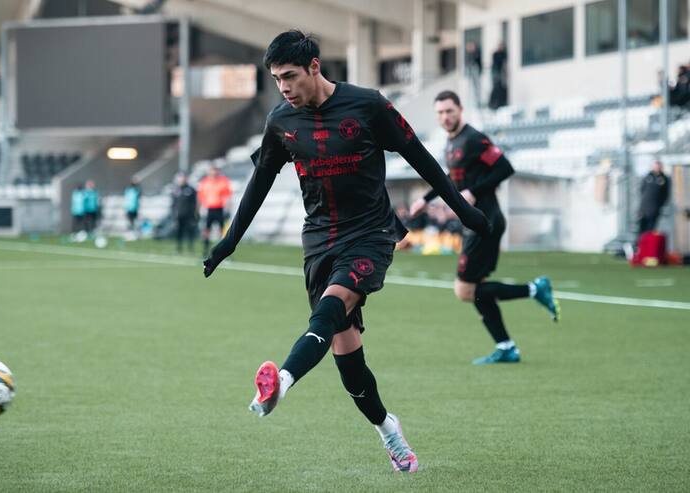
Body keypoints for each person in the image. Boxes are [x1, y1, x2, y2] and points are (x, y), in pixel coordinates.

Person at [202, 31, 491, 473]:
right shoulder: (282, 122)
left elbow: (421, 158)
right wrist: (229, 240)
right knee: (349, 364)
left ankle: (280, 380)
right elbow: (260, 181)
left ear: (315, 67)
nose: (283, 87)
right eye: (277, 79)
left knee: (329, 310)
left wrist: (463, 213)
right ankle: (387, 428)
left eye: (290, 76)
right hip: (319, 240)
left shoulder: (369, 105)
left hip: (371, 234)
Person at [409, 91, 559, 365]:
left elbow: (505, 168)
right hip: (474, 223)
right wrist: (425, 199)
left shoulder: (474, 138)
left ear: (460, 110)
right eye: (440, 113)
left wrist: (474, 191)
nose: (445, 117)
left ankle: (535, 289)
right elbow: (449, 179)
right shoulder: (452, 143)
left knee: (464, 290)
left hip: (486, 221)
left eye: (449, 111)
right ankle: (506, 346)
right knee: (476, 289)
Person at [197, 165, 232, 257]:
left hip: (220, 209)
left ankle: (223, 252)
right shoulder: (205, 182)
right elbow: (201, 196)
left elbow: (227, 196)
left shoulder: (223, 181)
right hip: (209, 209)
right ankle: (205, 252)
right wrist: (199, 210)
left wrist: (228, 209)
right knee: (206, 231)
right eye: (212, 171)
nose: (213, 173)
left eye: (215, 171)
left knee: (223, 232)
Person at [637, 160, 671, 236]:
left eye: (658, 166)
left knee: (651, 229)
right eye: (655, 166)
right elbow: (642, 190)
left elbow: (666, 194)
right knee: (641, 229)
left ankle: (649, 246)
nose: (657, 168)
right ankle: (640, 246)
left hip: (655, 208)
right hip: (644, 208)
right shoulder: (647, 177)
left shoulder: (664, 179)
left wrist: (660, 204)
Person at [171, 173, 198, 253]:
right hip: (179, 215)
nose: (182, 180)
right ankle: (178, 248)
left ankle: (191, 248)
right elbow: (173, 203)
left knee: (190, 231)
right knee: (179, 232)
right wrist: (173, 213)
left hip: (189, 215)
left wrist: (195, 214)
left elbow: (195, 203)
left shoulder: (191, 189)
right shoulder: (176, 189)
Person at [489, 41, 507, 110]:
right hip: (496, 72)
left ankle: (500, 103)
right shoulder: (496, 54)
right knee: (496, 87)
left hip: (501, 73)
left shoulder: (503, 54)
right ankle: (493, 104)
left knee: (500, 88)